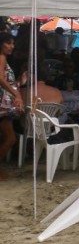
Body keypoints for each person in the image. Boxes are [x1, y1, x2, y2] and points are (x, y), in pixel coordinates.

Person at [0, 33, 22, 180]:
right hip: (2, 105)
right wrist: (16, 94)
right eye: (8, 43)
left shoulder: (4, 58)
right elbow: (0, 79)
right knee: (11, 138)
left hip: (4, 103)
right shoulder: (1, 58)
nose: (12, 46)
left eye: (13, 43)